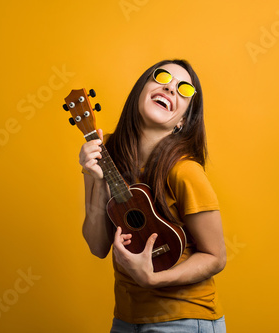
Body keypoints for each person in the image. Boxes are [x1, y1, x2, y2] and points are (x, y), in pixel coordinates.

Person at [79, 59, 227, 332]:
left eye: (184, 90)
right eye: (161, 78)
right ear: (141, 89)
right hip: (126, 318)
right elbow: (98, 246)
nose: (171, 88)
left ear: (183, 120)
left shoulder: (185, 172)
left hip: (184, 318)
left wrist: (153, 280)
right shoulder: (104, 153)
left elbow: (216, 256)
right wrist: (97, 180)